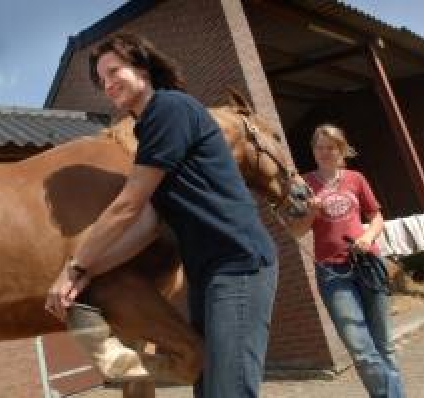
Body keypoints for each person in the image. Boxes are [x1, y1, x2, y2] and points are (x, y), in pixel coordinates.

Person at [45, 33, 278, 398]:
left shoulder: (169, 109)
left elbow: (127, 206)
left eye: (114, 71)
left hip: (239, 263)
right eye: (101, 80)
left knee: (228, 391)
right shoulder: (149, 128)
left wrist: (74, 267)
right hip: (209, 273)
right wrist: (91, 272)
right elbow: (148, 224)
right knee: (208, 382)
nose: (107, 84)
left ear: (141, 66)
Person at [288, 124, 405, 397]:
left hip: (367, 263)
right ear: (313, 150)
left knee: (384, 345)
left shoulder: (356, 178)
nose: (324, 152)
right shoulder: (304, 185)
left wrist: (368, 236)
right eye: (319, 146)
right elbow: (295, 231)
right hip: (332, 272)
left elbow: (376, 216)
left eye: (331, 147)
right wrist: (312, 213)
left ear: (341, 150)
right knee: (361, 350)